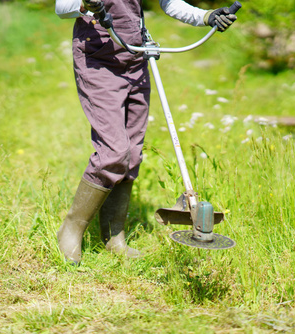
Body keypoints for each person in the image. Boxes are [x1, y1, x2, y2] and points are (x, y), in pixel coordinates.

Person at [55, 0, 237, 264]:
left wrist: (207, 16)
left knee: (132, 153)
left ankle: (113, 236)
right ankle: (71, 228)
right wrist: (84, 4)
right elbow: (62, 7)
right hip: (98, 59)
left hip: (135, 57)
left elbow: (170, 3)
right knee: (114, 152)